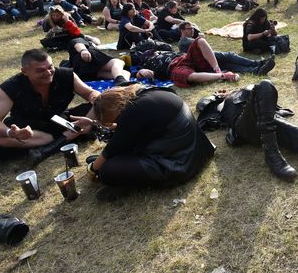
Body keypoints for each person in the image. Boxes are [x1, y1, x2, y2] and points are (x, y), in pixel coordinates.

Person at [78, 85, 215, 201]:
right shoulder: (145, 94)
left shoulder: (131, 113)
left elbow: (113, 148)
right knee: (106, 161)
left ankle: (126, 185)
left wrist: (93, 169)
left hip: (179, 162)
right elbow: (129, 129)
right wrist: (93, 124)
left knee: (107, 170)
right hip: (196, 148)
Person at [0, 49, 99, 171]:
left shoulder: (66, 75)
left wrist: (95, 100)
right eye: (40, 70)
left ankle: (59, 141)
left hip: (62, 121)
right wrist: (11, 133)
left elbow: (90, 93)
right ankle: (67, 138)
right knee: (0, 139)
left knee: (101, 105)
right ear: (24, 71)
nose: (48, 72)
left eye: (50, 67)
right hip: (30, 130)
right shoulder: (11, 87)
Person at [169, 30, 275, 88]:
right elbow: (193, 76)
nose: (192, 30)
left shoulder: (190, 47)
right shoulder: (178, 67)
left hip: (203, 60)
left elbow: (201, 41)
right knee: (229, 65)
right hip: (198, 65)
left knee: (229, 56)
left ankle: (258, 63)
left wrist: (216, 68)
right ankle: (257, 70)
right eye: (189, 28)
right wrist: (222, 75)